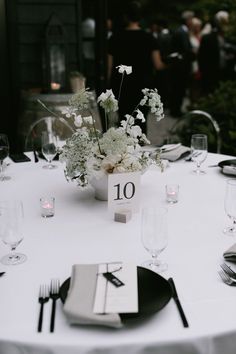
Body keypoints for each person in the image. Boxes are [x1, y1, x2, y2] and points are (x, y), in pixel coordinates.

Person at [107, 1, 164, 134]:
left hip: (122, 86)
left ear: (125, 17)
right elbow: (158, 64)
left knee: (123, 122)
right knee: (140, 122)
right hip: (142, 87)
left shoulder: (115, 38)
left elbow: (109, 68)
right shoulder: (149, 38)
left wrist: (108, 88)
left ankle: (124, 154)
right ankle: (141, 151)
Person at [198, 11, 236, 95]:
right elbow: (202, 58)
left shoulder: (230, 38)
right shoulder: (207, 39)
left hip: (227, 74)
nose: (225, 25)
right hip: (211, 75)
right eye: (222, 22)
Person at [169, 10, 195, 117]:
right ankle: (175, 110)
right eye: (191, 19)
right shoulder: (182, 32)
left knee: (178, 89)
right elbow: (185, 50)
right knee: (178, 89)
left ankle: (175, 109)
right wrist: (193, 54)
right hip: (181, 67)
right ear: (187, 20)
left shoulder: (182, 31)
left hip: (180, 66)